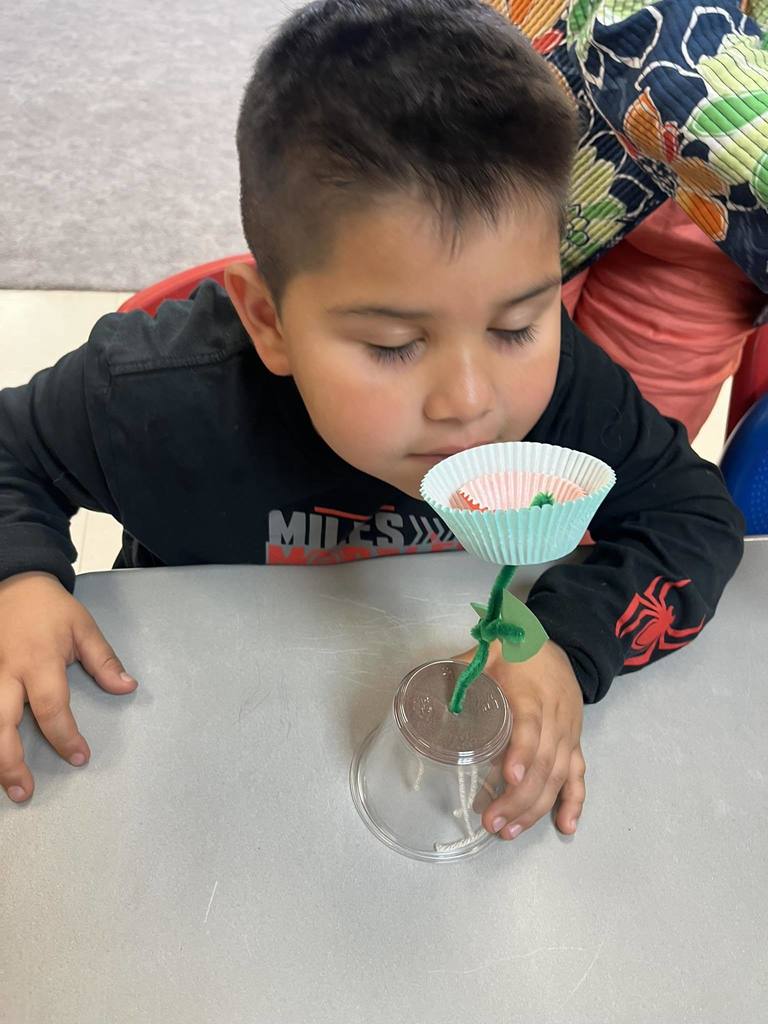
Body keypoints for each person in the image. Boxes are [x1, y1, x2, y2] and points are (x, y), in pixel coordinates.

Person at [0, 0, 743, 846]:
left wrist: (570, 648)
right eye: (394, 344)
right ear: (270, 323)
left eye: (515, 326)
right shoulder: (160, 397)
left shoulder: (567, 391)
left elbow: (691, 516)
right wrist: (19, 579)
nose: (472, 400)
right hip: (195, 757)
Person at [487, 0, 768, 441]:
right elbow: (633, 18)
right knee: (473, 434)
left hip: (724, 236)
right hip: (531, 126)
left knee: (620, 460)